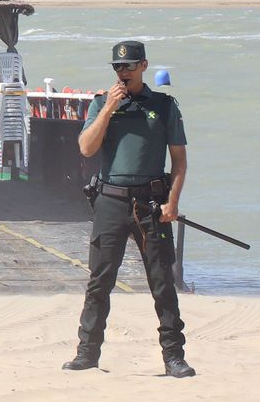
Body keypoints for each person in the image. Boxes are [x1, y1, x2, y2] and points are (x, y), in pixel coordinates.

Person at [65, 41, 193, 378]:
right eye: (118, 67)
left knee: (162, 281)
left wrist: (173, 202)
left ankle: (174, 357)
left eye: (130, 67)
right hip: (110, 201)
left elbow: (179, 161)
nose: (123, 72)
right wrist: (108, 109)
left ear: (143, 66)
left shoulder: (164, 106)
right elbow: (86, 147)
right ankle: (87, 354)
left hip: (150, 204)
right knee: (99, 281)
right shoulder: (100, 104)